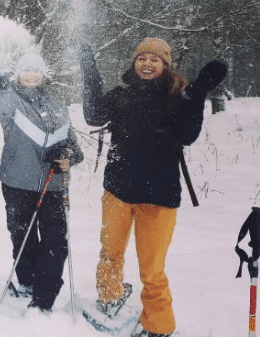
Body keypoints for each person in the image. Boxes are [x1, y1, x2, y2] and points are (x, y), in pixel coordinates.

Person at [80, 37, 227, 337]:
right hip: (117, 190)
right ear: (134, 63)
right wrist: (89, 72)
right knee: (110, 252)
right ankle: (110, 296)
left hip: (158, 197)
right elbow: (94, 115)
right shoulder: (121, 95)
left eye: (155, 59)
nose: (147, 63)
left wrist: (198, 93)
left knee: (152, 269)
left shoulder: (178, 97)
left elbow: (187, 135)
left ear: (165, 65)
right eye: (142, 58)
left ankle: (159, 327)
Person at [0, 53, 83, 313]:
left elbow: (75, 148)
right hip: (17, 183)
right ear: (17, 75)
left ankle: (44, 296)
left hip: (53, 186)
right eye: (25, 72)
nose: (31, 76)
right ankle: (28, 280)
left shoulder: (57, 106)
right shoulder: (11, 101)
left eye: (36, 71)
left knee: (55, 242)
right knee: (22, 237)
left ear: (44, 76)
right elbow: (0, 99)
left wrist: (68, 157)